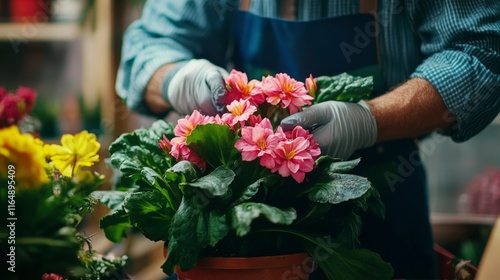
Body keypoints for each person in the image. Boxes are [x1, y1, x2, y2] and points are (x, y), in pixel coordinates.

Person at [116, 0, 500, 278]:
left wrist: (367, 120)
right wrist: (176, 78)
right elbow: (148, 45)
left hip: (381, 198)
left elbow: (481, 53)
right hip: (249, 206)